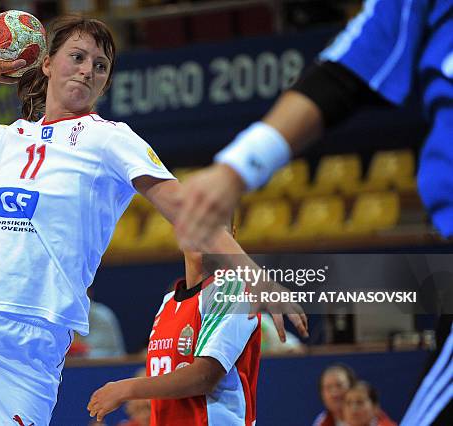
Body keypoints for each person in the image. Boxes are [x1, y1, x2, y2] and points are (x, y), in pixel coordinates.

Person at [0, 15, 307, 426]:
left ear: (104, 85)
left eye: (99, 65)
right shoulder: (10, 138)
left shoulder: (111, 139)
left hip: (25, 342)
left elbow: (186, 208)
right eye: (77, 56)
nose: (88, 69)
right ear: (45, 64)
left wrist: (253, 275)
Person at [175, 1, 452, 424]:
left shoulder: (232, 297)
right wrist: (236, 169)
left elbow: (203, 376)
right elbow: (350, 65)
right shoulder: (172, 302)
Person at [87, 223, 261, 425]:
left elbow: (204, 376)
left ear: (232, 236)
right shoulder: (168, 303)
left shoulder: (230, 291)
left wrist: (125, 389)